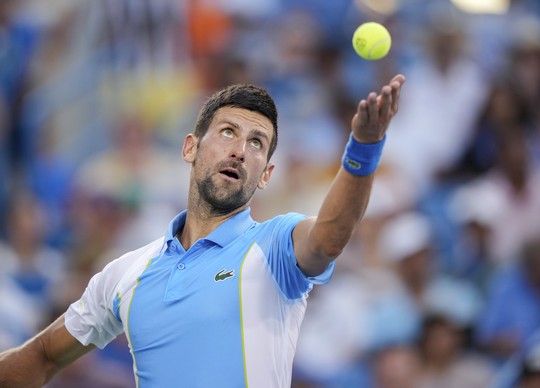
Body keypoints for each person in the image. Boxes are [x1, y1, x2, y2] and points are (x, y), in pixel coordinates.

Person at [0, 75, 405, 387]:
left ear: (265, 175)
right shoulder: (125, 273)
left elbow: (331, 236)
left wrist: (363, 147)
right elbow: (43, 357)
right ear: (190, 148)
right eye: (228, 132)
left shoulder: (275, 245)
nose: (240, 149)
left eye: (257, 143)